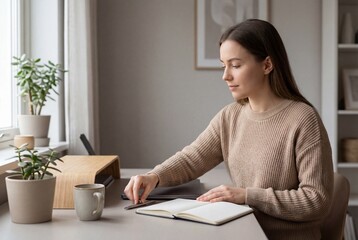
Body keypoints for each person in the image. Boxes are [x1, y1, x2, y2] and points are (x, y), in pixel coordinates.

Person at [124, 19, 333, 240]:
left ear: (267, 65)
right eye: (224, 65)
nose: (226, 76)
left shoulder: (303, 119)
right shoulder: (230, 116)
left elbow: (315, 201)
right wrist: (154, 176)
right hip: (242, 232)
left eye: (235, 65)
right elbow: (193, 158)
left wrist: (247, 196)